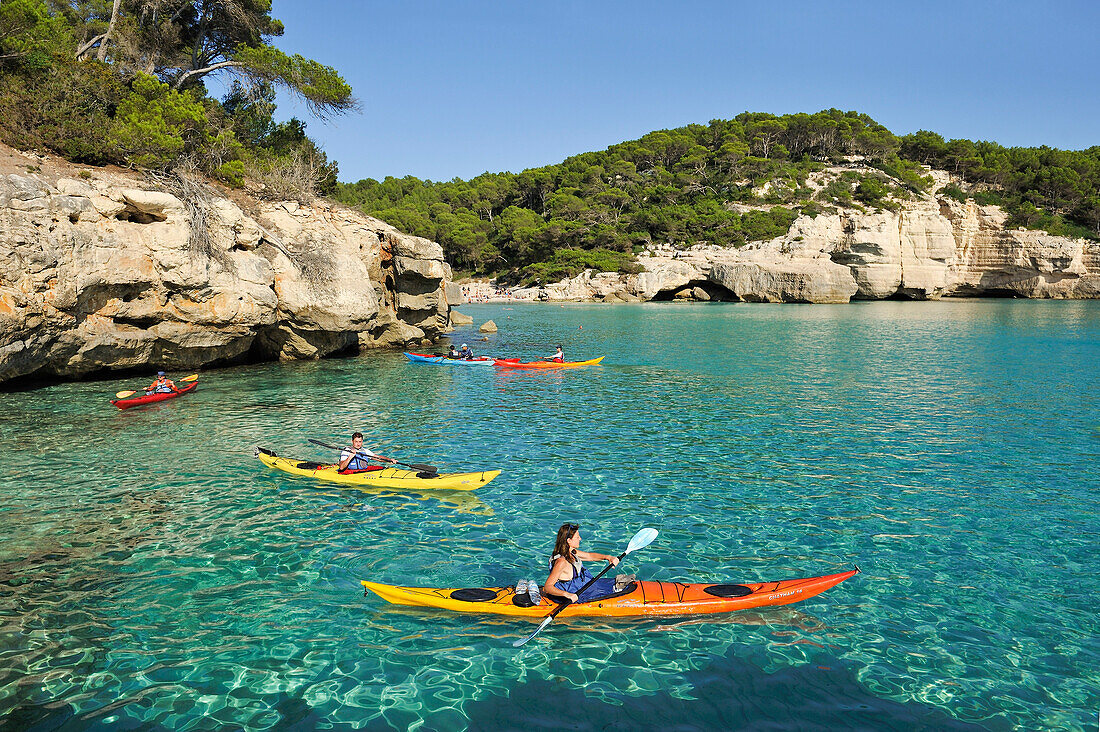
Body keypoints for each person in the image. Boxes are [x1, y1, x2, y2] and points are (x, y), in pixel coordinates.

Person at [541, 523, 619, 604]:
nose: (580, 539)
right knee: (611, 591)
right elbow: (548, 587)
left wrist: (608, 557)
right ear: (569, 540)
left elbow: (589, 556)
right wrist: (567, 595)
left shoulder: (572, 552)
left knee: (612, 583)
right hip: (572, 592)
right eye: (577, 537)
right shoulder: (561, 562)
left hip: (579, 586)